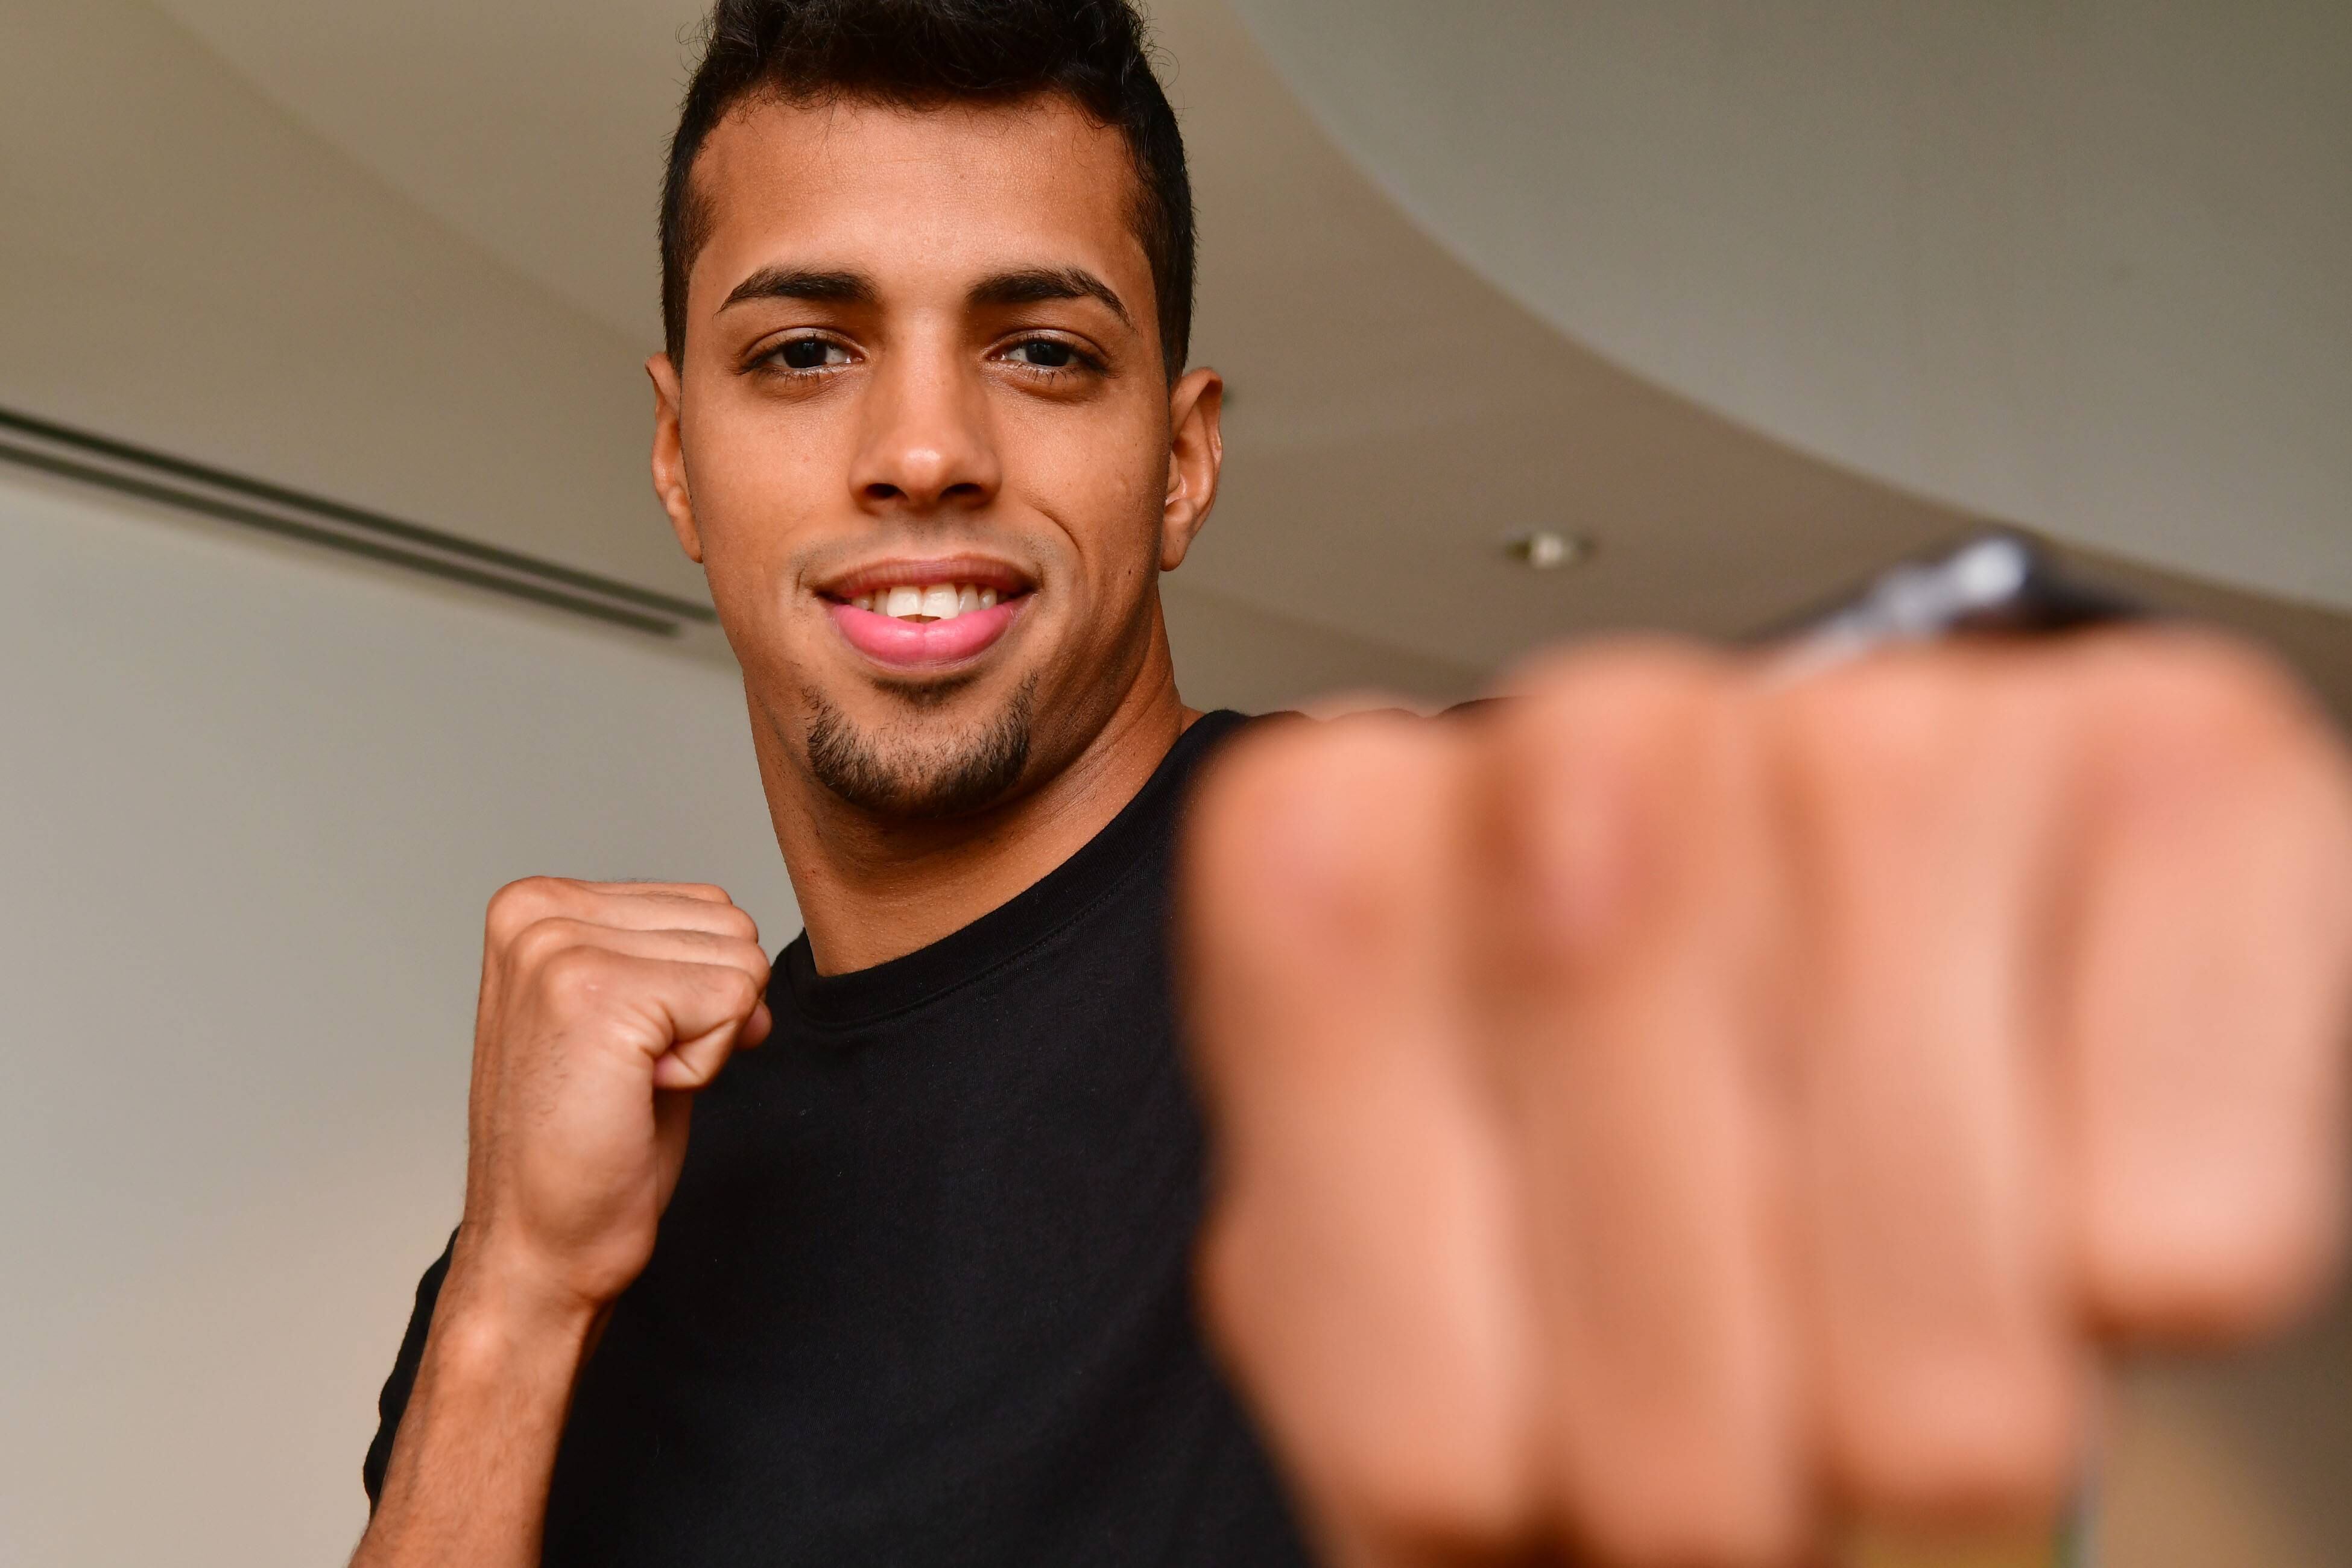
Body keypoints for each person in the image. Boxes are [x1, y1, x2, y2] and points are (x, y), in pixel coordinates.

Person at [350, 2, 2352, 1564]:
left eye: (1042, 351)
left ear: (1183, 461)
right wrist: (514, 1304)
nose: (926, 448)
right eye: (805, 352)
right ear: (677, 457)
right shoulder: (567, 1242)